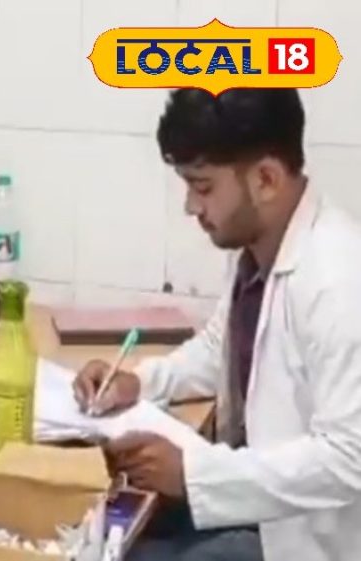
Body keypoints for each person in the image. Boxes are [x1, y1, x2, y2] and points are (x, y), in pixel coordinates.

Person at [73, 89, 361, 561]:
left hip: (302, 541)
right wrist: (138, 383)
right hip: (253, 505)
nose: (191, 206)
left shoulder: (337, 279)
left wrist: (194, 475)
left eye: (203, 188)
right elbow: (220, 348)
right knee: (96, 527)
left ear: (266, 179)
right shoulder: (259, 247)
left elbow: (349, 458)